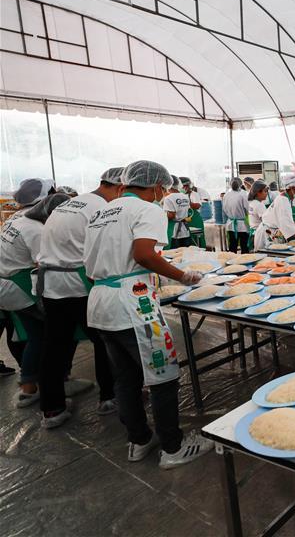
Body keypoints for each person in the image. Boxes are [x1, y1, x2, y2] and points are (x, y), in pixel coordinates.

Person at [83, 160, 212, 469]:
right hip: (133, 304)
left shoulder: (103, 210)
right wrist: (181, 276)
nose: (162, 194)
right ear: (155, 186)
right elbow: (143, 253)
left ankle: (139, 440)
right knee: (163, 375)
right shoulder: (148, 209)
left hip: (100, 301)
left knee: (125, 377)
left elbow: (92, 262)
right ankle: (173, 447)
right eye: (162, 190)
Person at [37, 168, 123, 429]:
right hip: (79, 284)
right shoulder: (100, 209)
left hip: (52, 286)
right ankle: (109, 397)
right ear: (120, 188)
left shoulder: (72, 203)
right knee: (105, 340)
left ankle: (52, 409)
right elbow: (107, 250)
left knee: (54, 347)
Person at [0, 178, 57, 407]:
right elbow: (43, 262)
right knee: (44, 335)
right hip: (20, 287)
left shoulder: (15, 219)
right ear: (43, 200)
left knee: (34, 335)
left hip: (8, 286)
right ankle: (40, 383)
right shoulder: (35, 227)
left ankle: (30, 385)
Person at [255, 176, 295, 250]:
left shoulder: (286, 199)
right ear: (293, 189)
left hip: (273, 232)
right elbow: (290, 231)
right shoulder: (283, 201)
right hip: (267, 234)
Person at [222, 178, 250, 253]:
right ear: (241, 185)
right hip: (242, 225)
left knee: (232, 246)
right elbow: (248, 209)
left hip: (231, 224)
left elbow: (224, 209)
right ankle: (245, 263)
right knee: (244, 246)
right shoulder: (244, 194)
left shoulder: (226, 194)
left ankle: (231, 262)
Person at [162, 176, 191, 249]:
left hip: (174, 231)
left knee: (174, 254)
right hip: (185, 230)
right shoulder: (185, 196)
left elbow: (171, 216)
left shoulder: (169, 198)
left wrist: (160, 215)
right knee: (184, 253)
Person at [179, 177, 206, 247]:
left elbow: (197, 205)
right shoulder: (180, 195)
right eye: (183, 186)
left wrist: (187, 203)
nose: (184, 188)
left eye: (186, 186)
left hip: (195, 220)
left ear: (189, 186)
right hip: (185, 221)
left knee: (197, 240)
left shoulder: (194, 194)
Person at [246, 180, 268, 247]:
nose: (267, 193)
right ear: (258, 192)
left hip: (253, 234)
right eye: (265, 191)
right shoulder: (259, 205)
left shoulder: (252, 203)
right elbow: (266, 221)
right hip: (259, 235)